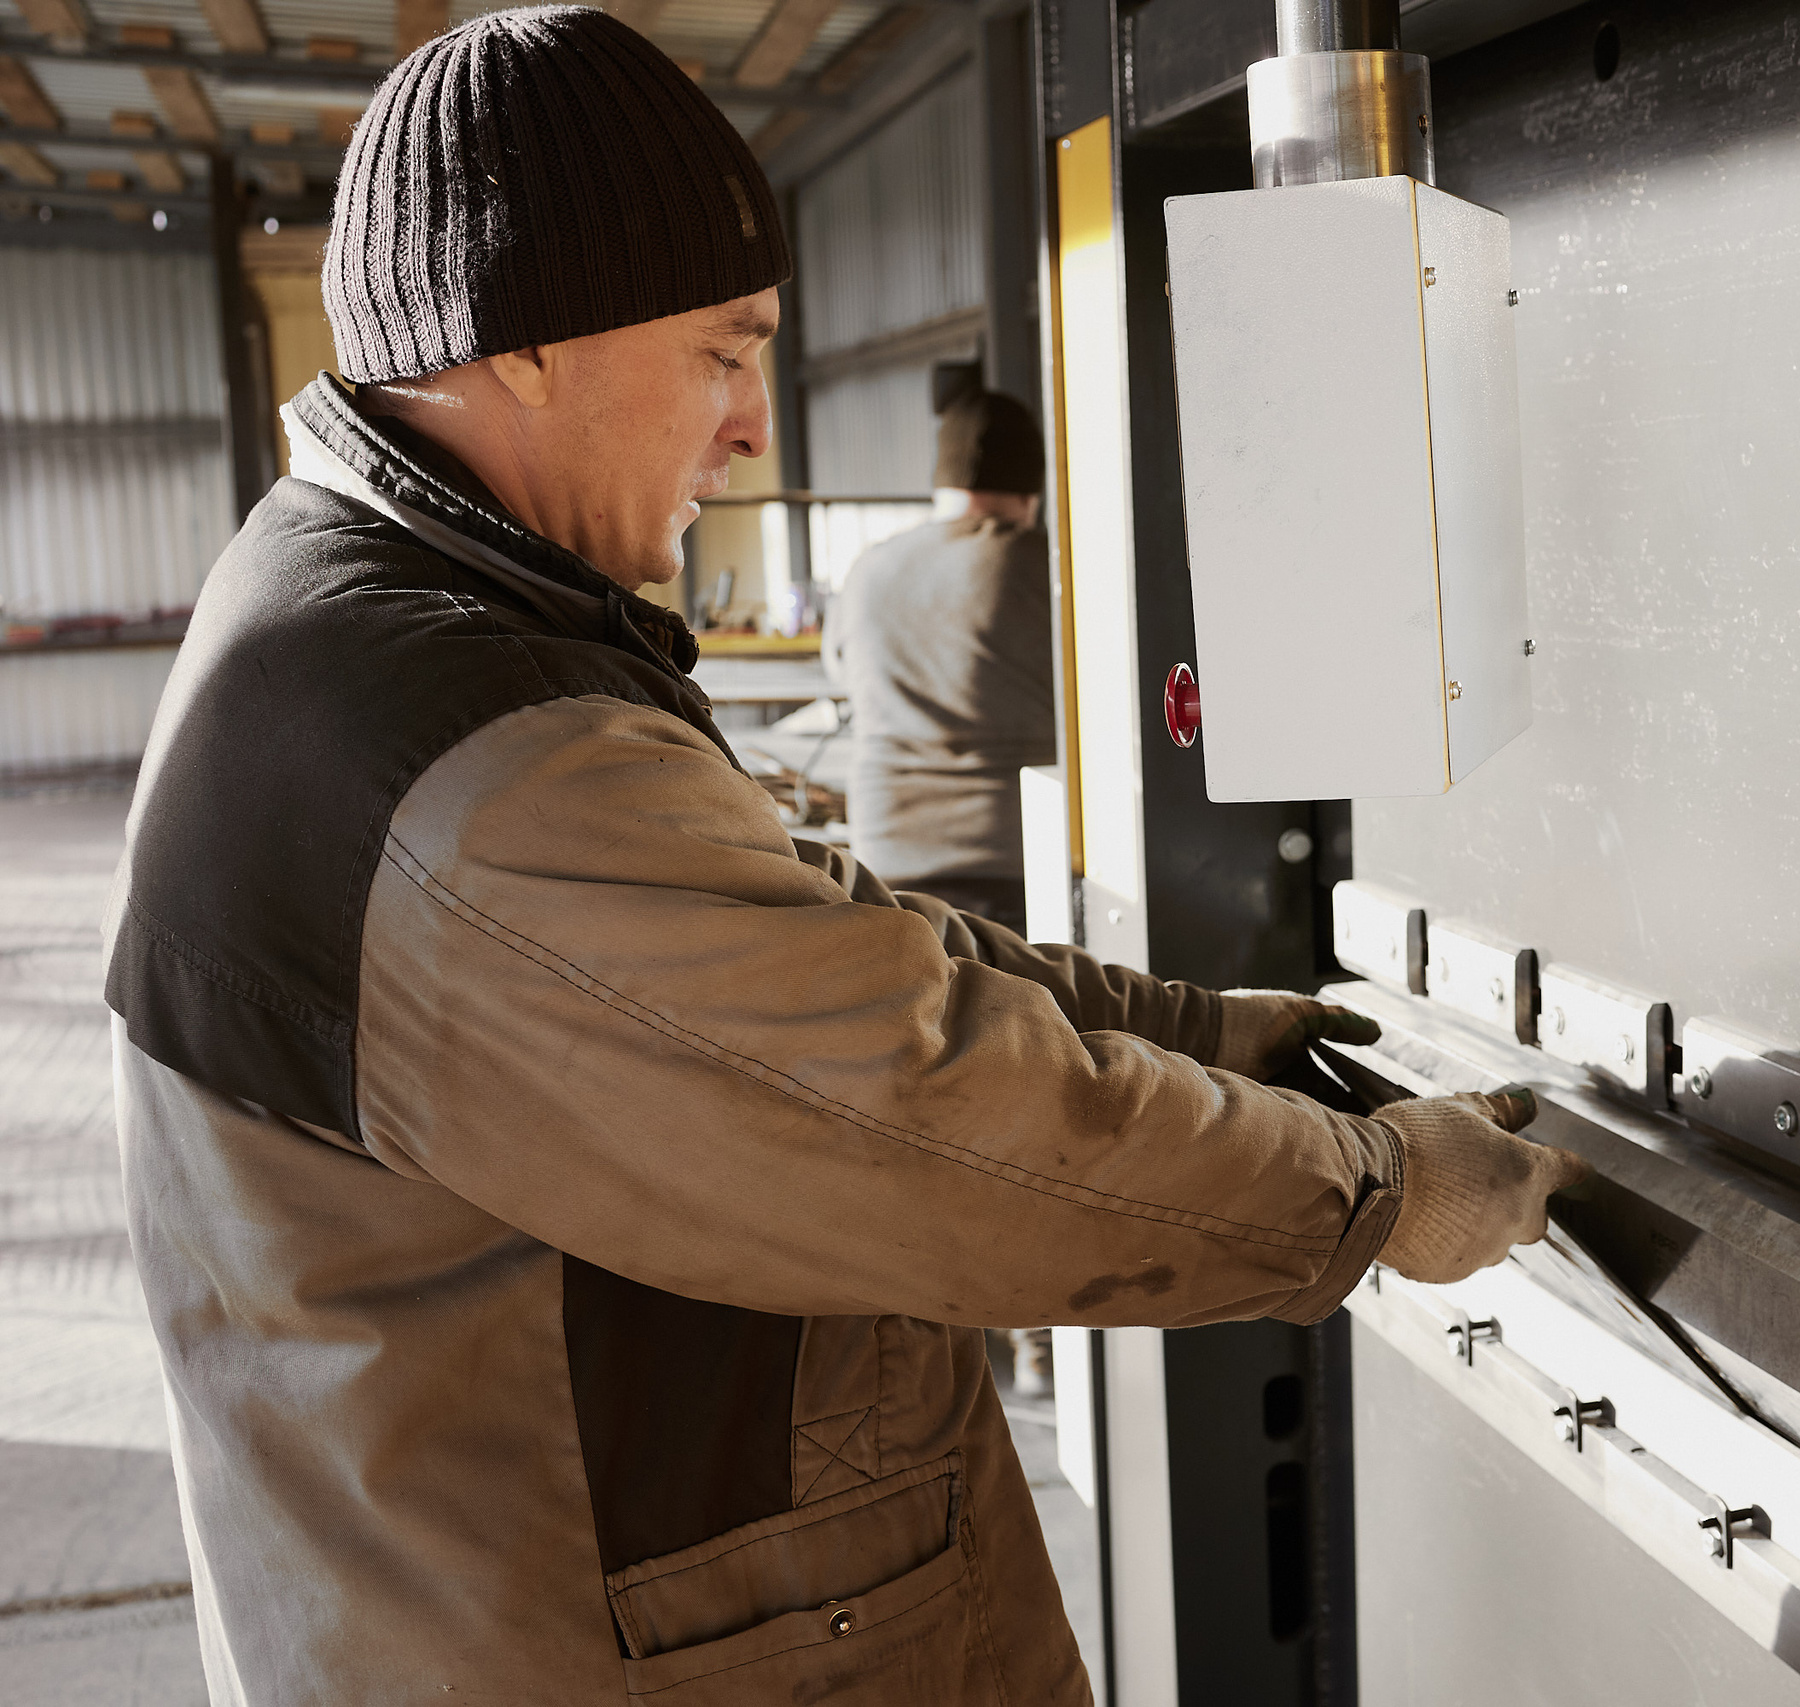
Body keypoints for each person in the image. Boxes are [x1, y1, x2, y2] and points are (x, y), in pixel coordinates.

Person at [104, 9, 1583, 1703]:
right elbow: (918, 1117)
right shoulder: (453, 752)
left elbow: (810, 940)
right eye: (723, 352)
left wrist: (1196, 1028)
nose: (753, 427)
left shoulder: (383, 622)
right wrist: (1377, 1191)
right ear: (523, 343)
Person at [821, 389, 1053, 937]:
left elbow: (841, 673)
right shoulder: (1040, 567)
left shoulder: (869, 568)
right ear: (1031, 490)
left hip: (886, 861)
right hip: (1010, 861)